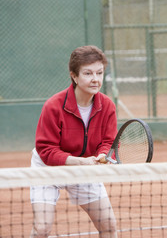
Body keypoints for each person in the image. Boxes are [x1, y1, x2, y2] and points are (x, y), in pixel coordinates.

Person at [30, 45, 118, 237]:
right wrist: (79, 161)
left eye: (99, 73)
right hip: (48, 169)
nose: (95, 79)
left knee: (109, 226)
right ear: (74, 76)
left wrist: (103, 154)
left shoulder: (108, 106)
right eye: (88, 73)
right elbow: (46, 150)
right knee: (41, 228)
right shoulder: (54, 106)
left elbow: (109, 141)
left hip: (85, 168)